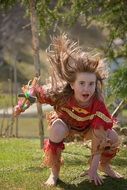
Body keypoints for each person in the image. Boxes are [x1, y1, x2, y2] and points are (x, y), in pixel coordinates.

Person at [14, 34, 122, 186]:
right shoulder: (60, 93)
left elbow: (99, 135)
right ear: (72, 84)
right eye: (82, 83)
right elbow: (34, 92)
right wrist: (21, 106)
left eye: (91, 84)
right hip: (66, 124)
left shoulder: (97, 104)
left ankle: (104, 165)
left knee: (112, 136)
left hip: (88, 128)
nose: (87, 88)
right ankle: (54, 173)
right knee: (56, 129)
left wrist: (93, 169)